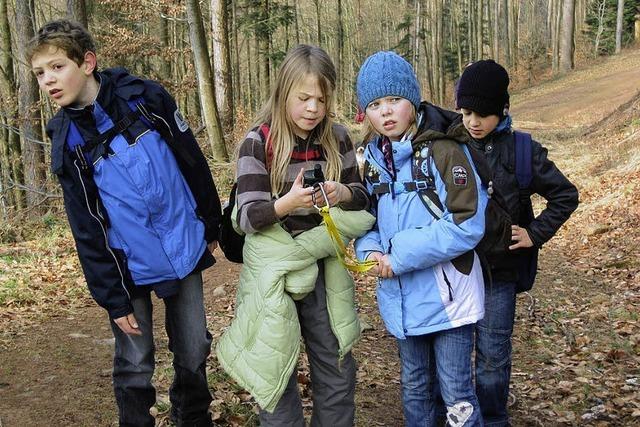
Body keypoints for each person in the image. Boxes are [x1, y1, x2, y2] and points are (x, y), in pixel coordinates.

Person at [29, 19, 221, 427]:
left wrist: (211, 223)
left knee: (192, 350)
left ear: (88, 63)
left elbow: (191, 160)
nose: (48, 81)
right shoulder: (67, 143)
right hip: (125, 267)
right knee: (135, 363)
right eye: (40, 73)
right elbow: (87, 229)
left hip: (182, 246)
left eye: (57, 67)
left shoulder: (145, 98)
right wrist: (111, 297)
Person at [215, 44, 372, 426]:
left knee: (335, 366)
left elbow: (365, 199)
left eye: (321, 99)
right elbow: (248, 217)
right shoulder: (258, 142)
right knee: (276, 370)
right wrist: (286, 203)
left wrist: (343, 193)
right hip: (275, 275)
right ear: (284, 92)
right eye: (303, 98)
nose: (312, 108)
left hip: (325, 271)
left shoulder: (337, 138)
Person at [354, 51, 487, 427]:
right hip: (401, 301)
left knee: (456, 392)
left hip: (449, 300)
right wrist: (372, 251)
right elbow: (368, 220)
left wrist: (398, 256)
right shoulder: (373, 161)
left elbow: (467, 222)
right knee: (414, 386)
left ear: (412, 101)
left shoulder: (444, 151)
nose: (386, 112)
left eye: (394, 100)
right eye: (376, 104)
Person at [456, 59, 579, 426]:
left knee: (493, 354)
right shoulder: (451, 144)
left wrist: (534, 233)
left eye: (484, 113)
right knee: (455, 355)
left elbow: (565, 195)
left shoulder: (524, 151)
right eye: (466, 112)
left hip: (501, 274)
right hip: (455, 272)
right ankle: (459, 415)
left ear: (504, 109)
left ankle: (493, 417)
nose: (473, 122)